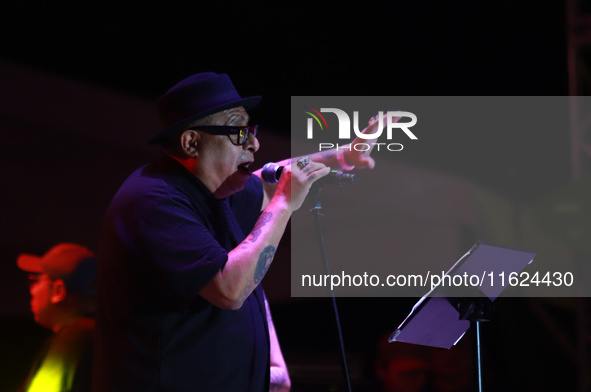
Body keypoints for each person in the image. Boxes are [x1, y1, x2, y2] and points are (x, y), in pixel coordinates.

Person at [93, 72, 384, 391]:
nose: (254, 143)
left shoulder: (217, 189)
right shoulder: (154, 200)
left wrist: (343, 156)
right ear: (192, 142)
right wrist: (286, 204)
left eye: (252, 130)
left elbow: (270, 177)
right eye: (239, 132)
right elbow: (228, 289)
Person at [16, 242, 97, 392]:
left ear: (58, 291)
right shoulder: (108, 335)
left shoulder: (73, 340)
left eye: (37, 280)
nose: (32, 290)